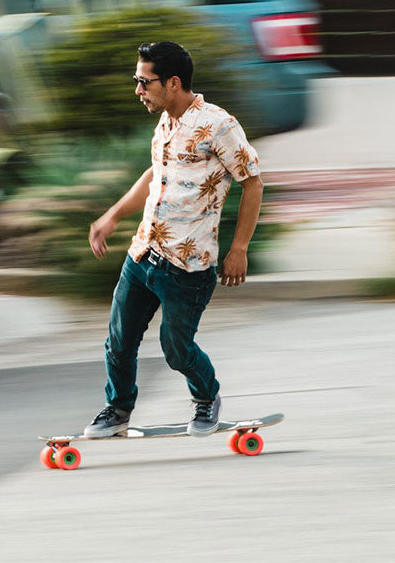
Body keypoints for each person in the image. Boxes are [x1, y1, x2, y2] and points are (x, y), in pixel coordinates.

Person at [85, 41, 263, 438]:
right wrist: (112, 215)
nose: (137, 90)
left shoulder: (218, 125)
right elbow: (155, 175)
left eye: (143, 82)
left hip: (188, 265)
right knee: (118, 340)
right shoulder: (165, 121)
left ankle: (206, 398)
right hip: (144, 251)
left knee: (177, 349)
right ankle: (118, 410)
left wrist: (238, 248)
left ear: (173, 82)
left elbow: (252, 182)